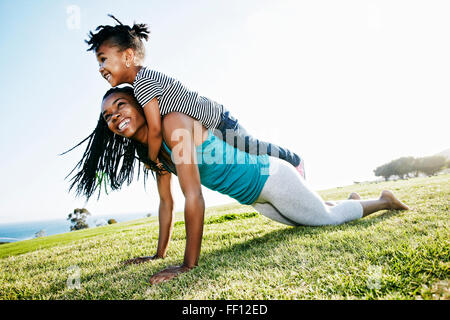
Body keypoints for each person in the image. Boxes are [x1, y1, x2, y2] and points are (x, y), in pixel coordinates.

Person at [64, 86, 409, 284]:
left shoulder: (172, 123)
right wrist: (158, 254)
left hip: (269, 177)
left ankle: (382, 200)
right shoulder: (152, 150)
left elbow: (193, 194)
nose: (114, 116)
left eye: (120, 105)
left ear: (140, 104)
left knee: (324, 221)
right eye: (108, 115)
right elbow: (166, 203)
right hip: (256, 198)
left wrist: (187, 266)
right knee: (302, 220)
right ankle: (350, 201)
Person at [85, 15, 306, 178]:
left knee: (251, 147)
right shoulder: (141, 83)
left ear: (128, 56)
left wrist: (152, 159)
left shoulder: (143, 84)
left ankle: (293, 160)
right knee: (245, 158)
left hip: (217, 121)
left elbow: (154, 129)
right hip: (206, 129)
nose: (100, 68)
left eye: (103, 59)